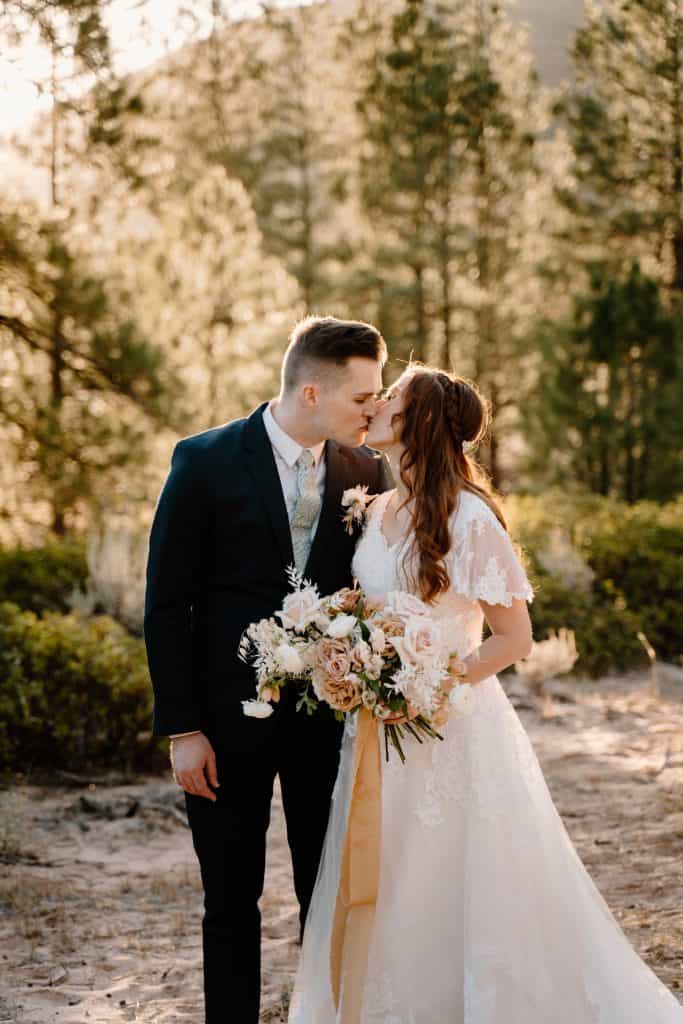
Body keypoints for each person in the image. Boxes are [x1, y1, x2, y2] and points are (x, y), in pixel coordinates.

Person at [289, 364, 683, 1023]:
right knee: (390, 877)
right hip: (378, 735)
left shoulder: (469, 519)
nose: (378, 403)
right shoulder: (379, 508)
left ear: (419, 424)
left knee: (457, 878)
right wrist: (351, 655)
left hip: (451, 729)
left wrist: (427, 686)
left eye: (393, 397)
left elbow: (513, 637)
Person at [143, 316, 388, 1024]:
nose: (371, 411)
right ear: (311, 392)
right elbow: (166, 604)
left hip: (325, 723)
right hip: (222, 727)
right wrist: (182, 727)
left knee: (327, 895)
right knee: (229, 899)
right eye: (361, 398)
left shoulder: (363, 471)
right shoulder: (204, 459)